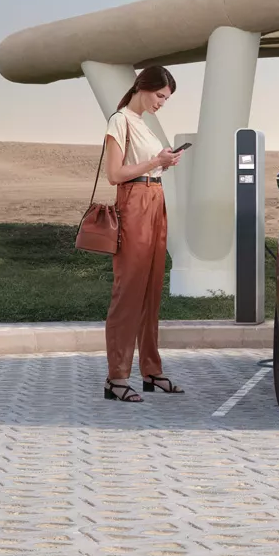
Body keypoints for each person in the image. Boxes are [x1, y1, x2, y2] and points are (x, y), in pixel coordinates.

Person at [102, 66, 184, 402]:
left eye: (167, 98)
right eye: (160, 95)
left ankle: (152, 371)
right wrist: (154, 163)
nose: (163, 102)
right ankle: (116, 378)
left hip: (155, 199)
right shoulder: (119, 120)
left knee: (151, 290)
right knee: (129, 289)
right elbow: (114, 174)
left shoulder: (143, 125)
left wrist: (164, 162)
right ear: (143, 87)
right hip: (134, 201)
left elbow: (147, 165)